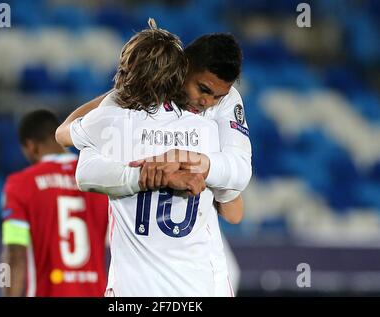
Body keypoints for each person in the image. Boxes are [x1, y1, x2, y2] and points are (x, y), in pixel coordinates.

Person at [56, 29, 251, 295]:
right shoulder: (206, 133)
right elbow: (233, 208)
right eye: (203, 90)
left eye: (217, 97)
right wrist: (189, 166)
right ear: (182, 67)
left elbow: (69, 145)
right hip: (196, 284)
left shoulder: (114, 120)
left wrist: (117, 98)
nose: (207, 103)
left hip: (135, 288)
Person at [0, 110, 109, 297]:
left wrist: (6, 287)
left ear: (31, 147)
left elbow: (14, 254)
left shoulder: (20, 185)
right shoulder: (98, 176)